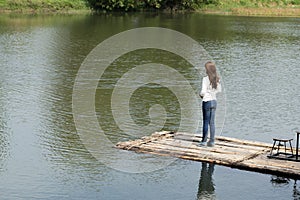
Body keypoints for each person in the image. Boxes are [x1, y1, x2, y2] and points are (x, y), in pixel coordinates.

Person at [198, 61, 221, 147]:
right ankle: (211, 142)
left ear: (208, 70)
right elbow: (219, 90)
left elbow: (203, 92)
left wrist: (200, 95)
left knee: (205, 121)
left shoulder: (205, 79)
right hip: (214, 101)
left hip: (206, 101)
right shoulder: (217, 79)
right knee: (212, 123)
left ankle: (203, 141)